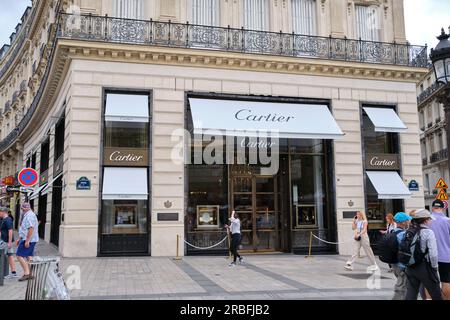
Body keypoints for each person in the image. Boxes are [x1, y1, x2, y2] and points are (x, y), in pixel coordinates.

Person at [404, 209, 443, 300]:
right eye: (429, 219)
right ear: (425, 220)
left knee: (411, 293)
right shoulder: (428, 232)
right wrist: (434, 267)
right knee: (436, 293)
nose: (430, 221)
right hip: (425, 267)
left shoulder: (409, 230)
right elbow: (433, 254)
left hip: (410, 266)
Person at [429, 199, 450, 300]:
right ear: (442, 208)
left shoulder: (427, 220)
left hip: (429, 256)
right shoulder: (448, 221)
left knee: (429, 281)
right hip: (446, 256)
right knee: (446, 281)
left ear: (432, 208)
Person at [390, 212, 412, 300]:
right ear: (403, 222)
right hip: (402, 265)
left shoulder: (393, 231)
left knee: (403, 285)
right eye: (407, 220)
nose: (409, 222)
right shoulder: (403, 234)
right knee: (401, 288)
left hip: (394, 264)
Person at [16, 203, 39, 282]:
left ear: (25, 208)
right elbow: (24, 229)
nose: (22, 210)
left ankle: (27, 273)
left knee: (19, 255)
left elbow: (31, 228)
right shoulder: (28, 215)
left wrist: (27, 241)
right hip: (29, 239)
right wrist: (19, 238)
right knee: (29, 256)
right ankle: (30, 273)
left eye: (22, 209)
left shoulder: (29, 216)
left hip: (29, 239)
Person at [0, 207, 18, 278]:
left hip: (6, 242)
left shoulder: (7, 220)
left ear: (3, 212)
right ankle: (13, 272)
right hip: (4, 241)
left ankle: (4, 273)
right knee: (10, 256)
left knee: (3, 256)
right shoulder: (3, 220)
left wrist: (10, 242)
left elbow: (10, 231)